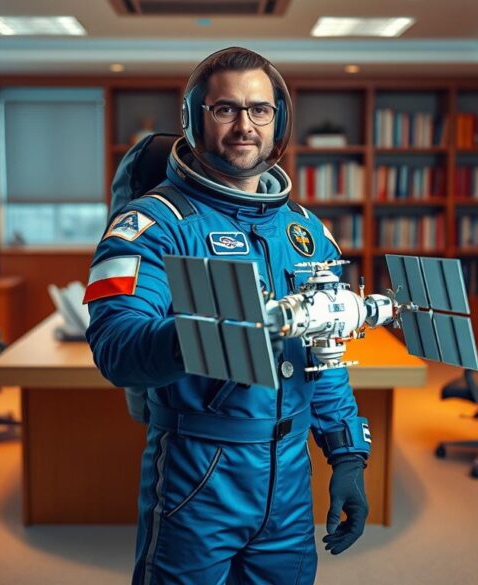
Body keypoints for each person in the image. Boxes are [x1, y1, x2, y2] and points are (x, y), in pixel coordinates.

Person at [85, 47, 371, 585]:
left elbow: (324, 355)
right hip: (201, 470)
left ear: (277, 120)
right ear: (195, 120)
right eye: (225, 110)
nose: (245, 125)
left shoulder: (305, 232)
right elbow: (117, 346)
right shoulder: (152, 224)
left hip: (289, 474)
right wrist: (214, 330)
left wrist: (348, 455)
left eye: (260, 110)